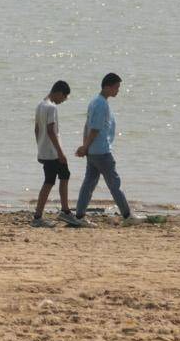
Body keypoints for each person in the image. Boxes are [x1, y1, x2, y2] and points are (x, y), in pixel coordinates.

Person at [72, 72, 134, 226]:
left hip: (93, 152)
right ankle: (127, 216)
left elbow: (87, 126)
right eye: (116, 87)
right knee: (114, 184)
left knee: (89, 184)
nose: (118, 91)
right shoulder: (101, 104)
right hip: (101, 151)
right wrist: (85, 146)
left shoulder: (95, 102)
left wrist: (85, 147)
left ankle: (79, 217)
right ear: (108, 86)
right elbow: (94, 129)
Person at [32, 81, 73, 228]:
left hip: (45, 151)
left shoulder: (40, 105)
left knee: (63, 176)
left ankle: (63, 211)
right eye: (64, 97)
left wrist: (39, 149)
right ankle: (58, 212)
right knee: (51, 181)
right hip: (53, 152)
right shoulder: (51, 107)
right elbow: (50, 130)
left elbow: (36, 130)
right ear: (59, 92)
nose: (63, 100)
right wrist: (60, 152)